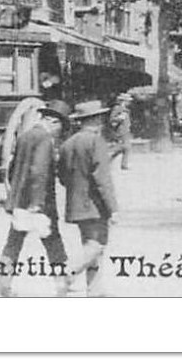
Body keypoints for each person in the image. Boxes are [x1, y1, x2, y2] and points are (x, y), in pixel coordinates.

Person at [0, 100, 73, 297]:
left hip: (20, 200)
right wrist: (36, 202)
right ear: (54, 122)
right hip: (39, 203)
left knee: (13, 242)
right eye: (61, 127)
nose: (60, 132)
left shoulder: (25, 136)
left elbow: (12, 169)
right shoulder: (45, 139)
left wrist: (16, 193)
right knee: (53, 242)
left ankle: (1, 283)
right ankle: (62, 284)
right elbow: (38, 172)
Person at [58, 99, 119, 296]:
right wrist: (113, 208)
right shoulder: (96, 142)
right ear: (97, 119)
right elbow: (102, 178)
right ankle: (70, 271)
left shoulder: (68, 144)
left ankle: (94, 290)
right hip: (95, 204)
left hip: (75, 203)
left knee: (89, 244)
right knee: (97, 244)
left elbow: (62, 176)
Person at [104, 93, 133, 171]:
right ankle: (120, 163)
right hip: (120, 131)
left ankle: (114, 161)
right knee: (125, 147)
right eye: (128, 101)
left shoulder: (125, 109)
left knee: (125, 148)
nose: (129, 102)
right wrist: (119, 118)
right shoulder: (117, 108)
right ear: (123, 101)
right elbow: (112, 119)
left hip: (125, 130)